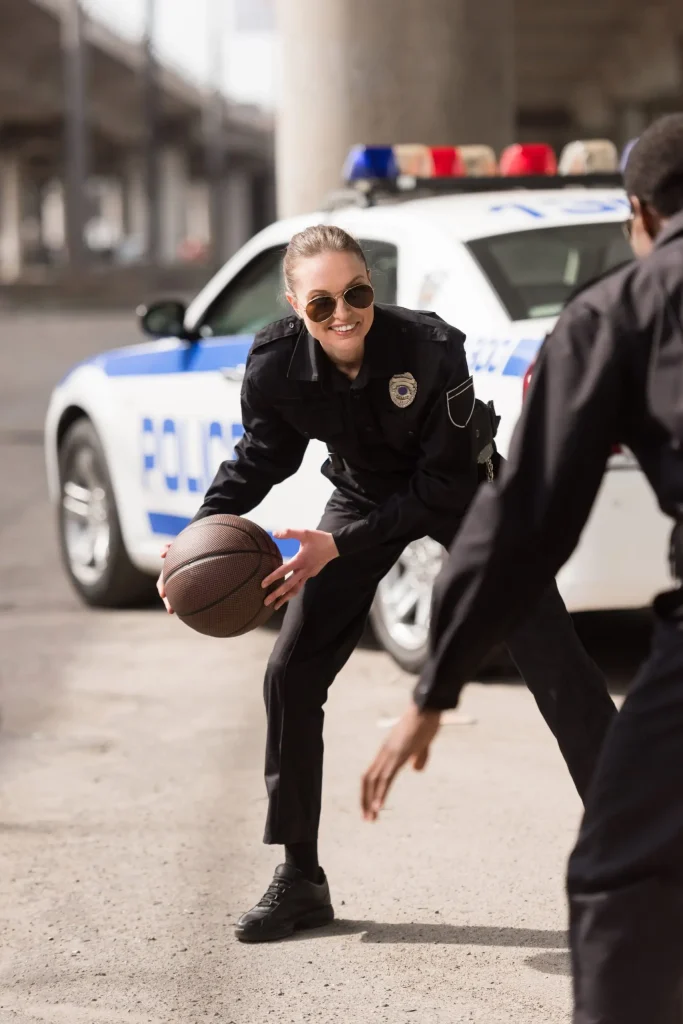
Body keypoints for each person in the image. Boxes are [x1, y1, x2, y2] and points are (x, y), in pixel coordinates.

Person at [158, 224, 615, 944]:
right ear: (292, 305)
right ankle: (300, 877)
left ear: (374, 286)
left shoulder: (433, 350)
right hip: (361, 494)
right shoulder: (276, 365)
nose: (342, 313)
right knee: (292, 671)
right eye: (320, 304)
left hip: (465, 497)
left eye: (357, 293)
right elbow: (263, 456)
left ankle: (644, 863)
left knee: (561, 668)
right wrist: (198, 531)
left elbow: (441, 488)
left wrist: (334, 547)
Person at [361, 112, 683, 1023]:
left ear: (639, 216)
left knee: (620, 868)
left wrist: (434, 690)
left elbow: (527, 521)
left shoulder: (620, 309)